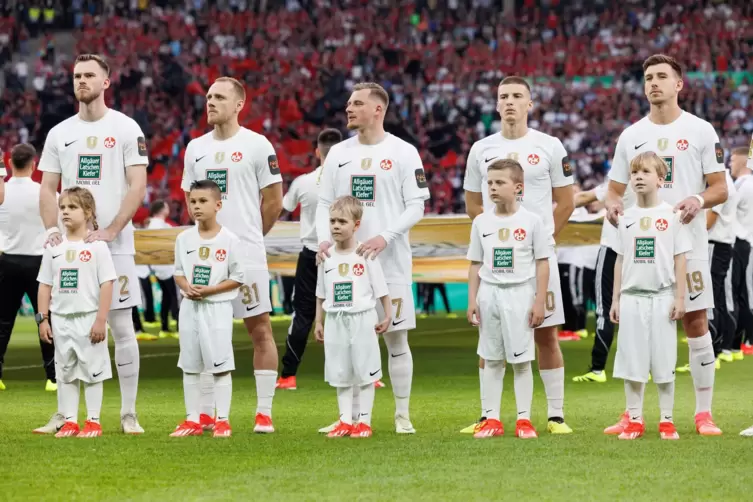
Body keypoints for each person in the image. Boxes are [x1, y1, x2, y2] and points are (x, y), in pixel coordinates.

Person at [604, 54, 727, 436]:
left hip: (686, 242)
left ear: (679, 85)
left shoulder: (701, 130)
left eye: (661, 77)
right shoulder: (631, 135)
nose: (653, 83)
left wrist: (698, 200)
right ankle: (633, 413)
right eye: (648, 78)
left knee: (695, 321)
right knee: (634, 326)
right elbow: (613, 189)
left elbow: (720, 187)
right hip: (641, 244)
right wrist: (611, 205)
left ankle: (703, 413)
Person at [36, 54, 148, 435]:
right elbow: (47, 188)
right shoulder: (59, 133)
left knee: (121, 328)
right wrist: (53, 229)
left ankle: (128, 412)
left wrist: (113, 229)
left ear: (106, 82)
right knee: (66, 326)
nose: (81, 81)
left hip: (113, 244)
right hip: (69, 248)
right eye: (76, 75)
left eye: (89, 75)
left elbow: (137, 185)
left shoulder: (126, 127)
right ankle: (64, 413)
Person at [315, 82, 431, 434]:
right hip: (344, 265)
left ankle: (402, 415)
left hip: (390, 262)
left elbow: (417, 205)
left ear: (378, 110)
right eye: (348, 103)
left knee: (396, 339)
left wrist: (386, 236)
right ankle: (348, 419)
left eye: (357, 104)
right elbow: (324, 203)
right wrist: (323, 239)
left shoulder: (403, 152)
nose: (349, 109)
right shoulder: (338, 154)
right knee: (346, 341)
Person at [462, 76, 575, 434]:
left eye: (517, 96)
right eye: (503, 97)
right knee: (489, 339)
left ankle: (555, 415)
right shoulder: (481, 148)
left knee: (545, 334)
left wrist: (535, 242)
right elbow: (473, 203)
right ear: (496, 105)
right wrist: (498, 238)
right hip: (496, 264)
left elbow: (567, 201)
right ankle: (487, 415)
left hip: (537, 261)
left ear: (530, 104)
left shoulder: (550, 145)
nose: (509, 102)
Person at [181, 76, 283, 433]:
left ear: (240, 103)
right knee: (205, 333)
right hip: (207, 257)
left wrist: (248, 240)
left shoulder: (257, 145)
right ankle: (207, 414)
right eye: (208, 96)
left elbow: (274, 202)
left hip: (248, 254)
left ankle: (263, 412)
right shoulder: (195, 148)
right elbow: (190, 200)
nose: (210, 102)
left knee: (260, 331)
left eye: (219, 97)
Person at [606, 152, 691, 440]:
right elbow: (619, 259)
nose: (638, 177)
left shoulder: (673, 215)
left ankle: (667, 420)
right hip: (631, 298)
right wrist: (616, 299)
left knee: (664, 360)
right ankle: (634, 419)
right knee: (632, 359)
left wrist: (680, 299)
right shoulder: (624, 217)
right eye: (634, 173)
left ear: (661, 178)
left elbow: (681, 259)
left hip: (663, 296)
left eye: (645, 172)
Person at [466, 159, 551, 439]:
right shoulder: (481, 222)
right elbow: (474, 264)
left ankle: (523, 420)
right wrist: (472, 300)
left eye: (499, 182)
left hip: (520, 293)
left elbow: (542, 263)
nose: (492, 187)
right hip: (489, 294)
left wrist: (539, 301)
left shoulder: (532, 221)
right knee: (490, 358)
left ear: (518, 187)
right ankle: (491, 419)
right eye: (490, 182)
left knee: (522, 360)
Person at [37, 187, 117, 438]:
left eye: (72, 207)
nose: (65, 212)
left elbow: (107, 283)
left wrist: (101, 320)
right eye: (62, 208)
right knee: (65, 372)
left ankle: (93, 421)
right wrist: (43, 319)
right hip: (61, 319)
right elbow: (45, 284)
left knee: (92, 371)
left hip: (88, 317)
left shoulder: (97, 247)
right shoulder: (54, 247)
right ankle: (70, 421)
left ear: (88, 212)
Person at [170, 180, 244, 438]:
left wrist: (210, 290)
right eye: (192, 201)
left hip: (217, 308)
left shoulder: (230, 239)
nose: (196, 206)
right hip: (190, 307)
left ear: (218, 205)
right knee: (190, 364)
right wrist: (186, 286)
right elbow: (178, 273)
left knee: (221, 364)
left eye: (203, 201)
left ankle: (222, 419)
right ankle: (192, 419)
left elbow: (238, 277)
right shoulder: (183, 238)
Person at [314, 196, 391, 438]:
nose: (335, 226)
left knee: (365, 371)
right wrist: (319, 320)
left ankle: (364, 422)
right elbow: (320, 292)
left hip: (362, 318)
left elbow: (382, 290)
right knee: (341, 373)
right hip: (336, 319)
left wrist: (387, 315)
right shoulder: (325, 258)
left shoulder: (365, 255)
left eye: (342, 222)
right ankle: (345, 420)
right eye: (332, 221)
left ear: (356, 225)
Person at [276, 128, 343, 391]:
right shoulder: (350, 181)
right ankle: (369, 375)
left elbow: (283, 208)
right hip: (343, 254)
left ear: (317, 151)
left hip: (312, 253)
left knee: (302, 313)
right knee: (354, 309)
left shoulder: (303, 182)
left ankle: (288, 376)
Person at [0, 144, 56, 392]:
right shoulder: (44, 192)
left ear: (10, 163)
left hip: (7, 260)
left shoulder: (3, 192)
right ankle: (53, 377)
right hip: (38, 262)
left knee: (2, 322)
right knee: (45, 318)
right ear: (34, 164)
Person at [572, 182, 636, 383]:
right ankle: (640, 367)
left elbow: (583, 198)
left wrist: (544, 207)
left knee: (605, 308)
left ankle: (598, 368)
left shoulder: (617, 182)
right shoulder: (651, 182)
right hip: (640, 248)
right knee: (636, 308)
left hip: (612, 247)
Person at [705, 166, 738, 365]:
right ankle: (718, 350)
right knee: (717, 298)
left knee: (709, 299)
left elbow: (708, 222)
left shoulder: (720, 184)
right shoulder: (726, 181)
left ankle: (712, 353)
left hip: (714, 245)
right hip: (723, 246)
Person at [729, 145, 753, 359]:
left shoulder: (742, 185)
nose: (729, 164)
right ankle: (743, 340)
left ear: (743, 161)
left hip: (738, 242)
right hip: (747, 242)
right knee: (743, 292)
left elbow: (725, 210)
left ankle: (735, 341)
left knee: (736, 293)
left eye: (732, 160)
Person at [147, 200, 179, 339]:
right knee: (173, 297)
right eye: (167, 206)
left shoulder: (156, 224)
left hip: (160, 266)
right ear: (161, 209)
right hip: (165, 266)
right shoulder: (158, 225)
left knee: (167, 297)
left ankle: (165, 327)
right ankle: (177, 327)